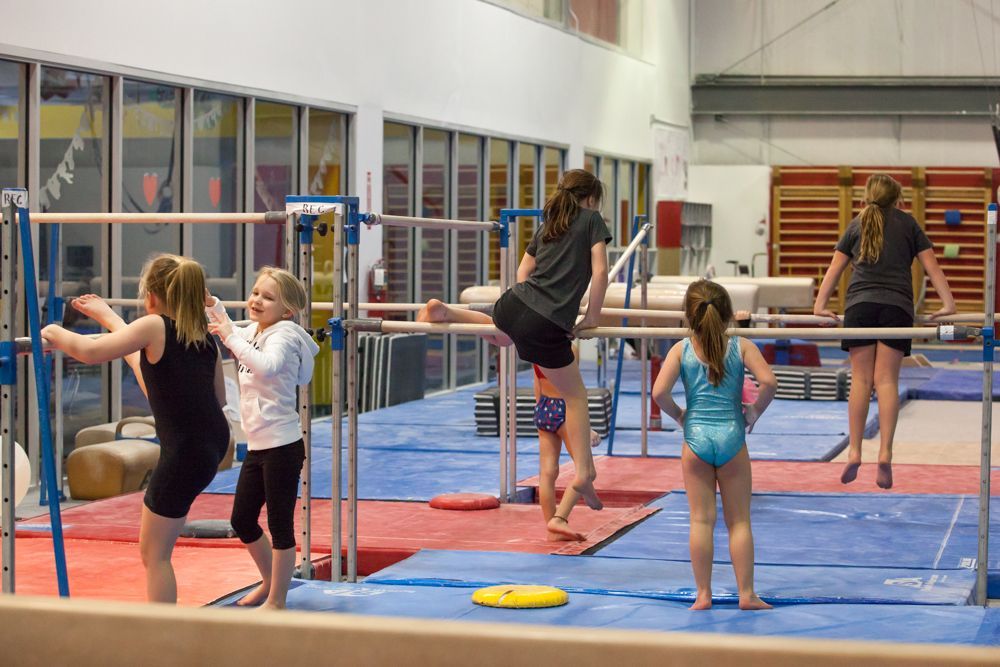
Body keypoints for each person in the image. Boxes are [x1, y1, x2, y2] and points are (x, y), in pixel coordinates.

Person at [41, 254, 230, 603]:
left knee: (154, 556)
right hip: (212, 444)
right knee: (158, 550)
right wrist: (109, 317)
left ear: (151, 297)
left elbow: (88, 351)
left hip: (185, 451)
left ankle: (162, 637)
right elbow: (192, 392)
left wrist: (52, 331)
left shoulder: (154, 325)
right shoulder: (202, 336)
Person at [419, 169, 610, 511]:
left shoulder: (549, 223)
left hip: (514, 302)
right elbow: (600, 272)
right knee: (575, 395)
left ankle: (447, 310)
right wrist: (592, 316)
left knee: (502, 334)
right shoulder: (591, 219)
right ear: (591, 198)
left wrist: (538, 294)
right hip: (548, 321)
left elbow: (523, 274)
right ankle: (584, 469)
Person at [813, 172, 955, 489]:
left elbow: (834, 269)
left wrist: (819, 307)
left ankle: (854, 450)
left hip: (860, 307)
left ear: (866, 196)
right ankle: (886, 453)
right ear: (898, 198)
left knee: (861, 380)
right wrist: (948, 305)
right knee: (887, 380)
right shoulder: (909, 224)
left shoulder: (856, 224)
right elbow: (933, 267)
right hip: (897, 308)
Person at [652, 279, 776, 611]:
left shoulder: (681, 349)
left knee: (701, 521)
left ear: (688, 316)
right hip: (732, 437)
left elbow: (658, 393)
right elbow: (769, 382)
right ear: (728, 315)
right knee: (739, 522)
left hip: (696, 441)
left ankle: (703, 594)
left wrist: (680, 415)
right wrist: (753, 412)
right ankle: (746, 594)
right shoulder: (742, 346)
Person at [206, 267, 319, 610]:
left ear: (287, 311)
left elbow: (266, 365)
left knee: (280, 525)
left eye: (267, 297)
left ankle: (278, 600)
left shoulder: (283, 334)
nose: (256, 300)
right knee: (241, 519)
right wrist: (212, 305)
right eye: (255, 292)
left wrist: (227, 334)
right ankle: (270, 581)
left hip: (282, 446)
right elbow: (233, 329)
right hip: (258, 444)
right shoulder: (258, 328)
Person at [533, 346, 602, 542]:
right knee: (587, 471)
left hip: (544, 406)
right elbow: (574, 392)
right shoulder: (570, 348)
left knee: (547, 473)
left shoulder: (534, 346)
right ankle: (559, 518)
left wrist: (539, 410)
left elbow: (537, 383)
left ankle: (552, 530)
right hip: (564, 408)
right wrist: (586, 428)